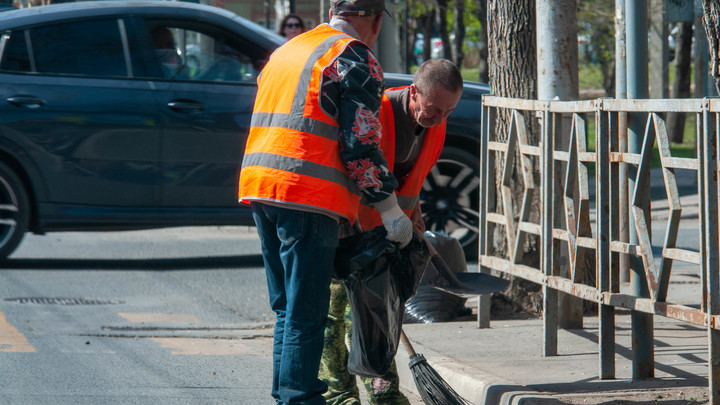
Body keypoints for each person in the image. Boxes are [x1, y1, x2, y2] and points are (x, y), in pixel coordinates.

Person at [238, 0, 413, 403]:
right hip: (307, 194)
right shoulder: (354, 56)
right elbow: (361, 144)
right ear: (376, 20)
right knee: (307, 311)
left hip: (262, 185)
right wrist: (389, 210)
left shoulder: (289, 50)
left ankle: (288, 395)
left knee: (287, 308)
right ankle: (299, 398)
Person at [319, 59, 464, 405]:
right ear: (414, 93)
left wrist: (413, 216)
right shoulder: (374, 113)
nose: (439, 118)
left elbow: (412, 178)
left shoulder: (436, 123)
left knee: (379, 311)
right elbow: (350, 162)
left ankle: (384, 394)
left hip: (387, 230)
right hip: (346, 225)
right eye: (432, 109)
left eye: (448, 111)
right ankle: (339, 395)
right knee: (335, 309)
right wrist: (349, 219)